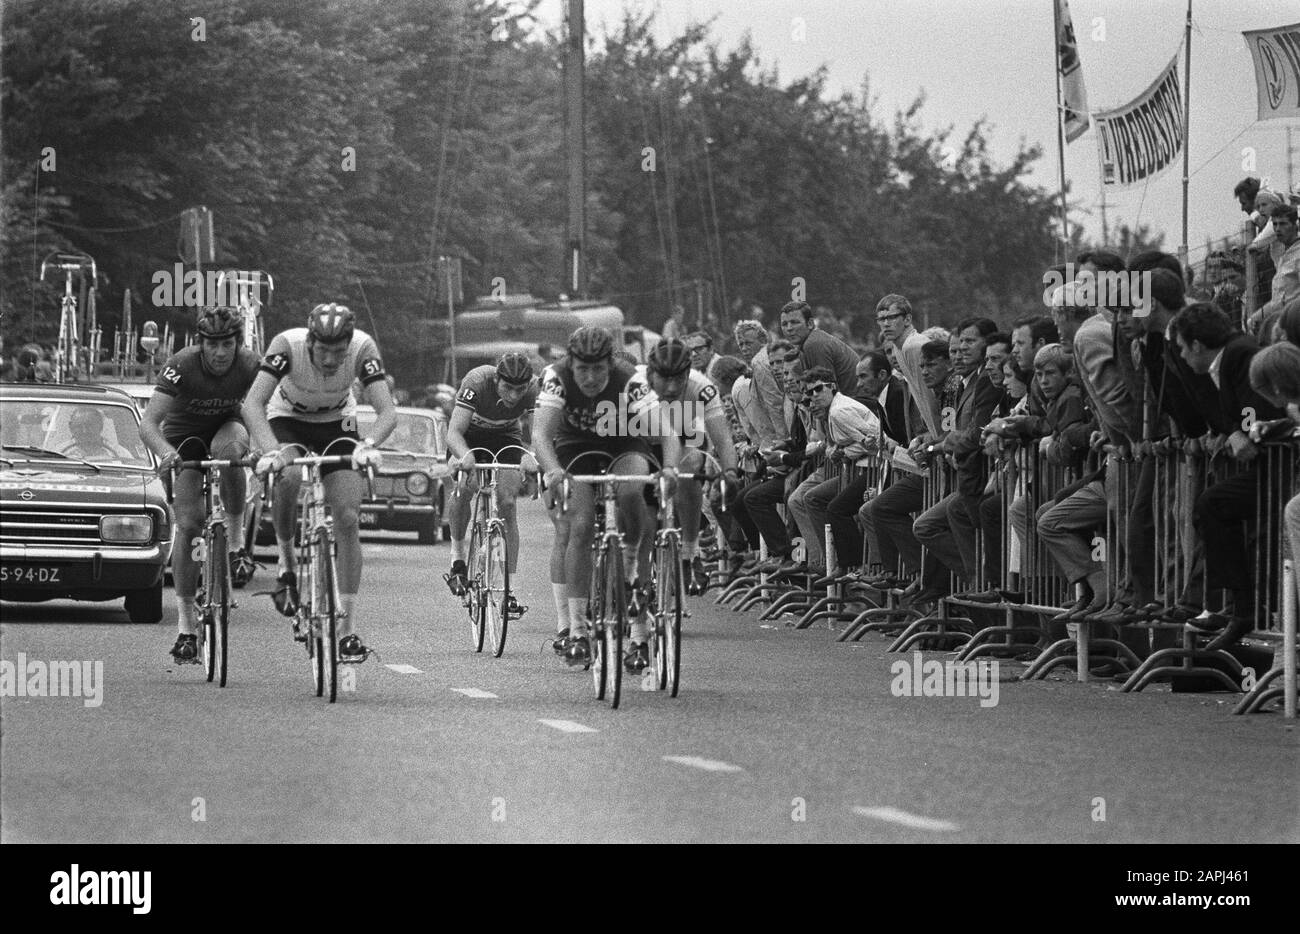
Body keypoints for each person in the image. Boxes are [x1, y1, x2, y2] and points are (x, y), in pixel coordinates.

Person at [244, 303, 396, 664]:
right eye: (323, 350)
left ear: (348, 345)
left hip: (336, 423)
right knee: (289, 476)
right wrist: (271, 452)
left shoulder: (362, 348)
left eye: (337, 352)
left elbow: (387, 411)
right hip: (287, 419)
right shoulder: (287, 345)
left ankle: (348, 630)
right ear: (310, 341)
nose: (330, 360)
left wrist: (368, 445)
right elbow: (252, 404)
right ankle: (287, 565)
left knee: (346, 516)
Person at [533, 326, 664, 668]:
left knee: (633, 491)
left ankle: (632, 568)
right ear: (571, 363)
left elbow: (663, 431)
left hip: (624, 443)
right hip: (575, 447)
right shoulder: (555, 376)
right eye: (582, 369)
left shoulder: (630, 378)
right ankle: (577, 630)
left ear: (610, 364)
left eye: (598, 369)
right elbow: (541, 435)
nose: (590, 377)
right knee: (581, 527)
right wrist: (552, 471)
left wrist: (671, 469)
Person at [140, 306, 261, 664]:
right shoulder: (182, 364)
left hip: (227, 428)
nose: (220, 353)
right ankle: (186, 626)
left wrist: (260, 450)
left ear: (238, 344)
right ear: (201, 343)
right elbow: (149, 423)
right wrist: (165, 452)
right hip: (184, 440)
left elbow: (264, 413)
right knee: (190, 526)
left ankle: (237, 545)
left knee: (232, 449)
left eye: (227, 344)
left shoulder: (251, 365)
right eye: (212, 345)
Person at [636, 339, 738, 610]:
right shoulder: (634, 384)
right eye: (664, 380)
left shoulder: (701, 386)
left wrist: (729, 472)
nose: (670, 388)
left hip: (683, 433)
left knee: (690, 467)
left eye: (677, 380)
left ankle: (689, 552)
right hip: (642, 438)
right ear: (650, 374)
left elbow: (724, 440)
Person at [443, 352, 540, 609]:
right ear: (496, 379)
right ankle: (457, 560)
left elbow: (540, 435)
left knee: (507, 504)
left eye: (520, 390)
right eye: (507, 388)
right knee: (465, 488)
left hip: (506, 437)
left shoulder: (533, 389)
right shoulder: (476, 382)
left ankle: (508, 590)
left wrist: (531, 457)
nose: (513, 396)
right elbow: (453, 433)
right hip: (470, 437)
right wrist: (464, 456)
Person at [779, 300, 858, 396]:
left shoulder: (813, 344)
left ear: (810, 324)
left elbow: (825, 393)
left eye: (794, 322)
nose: (789, 328)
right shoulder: (809, 342)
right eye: (784, 324)